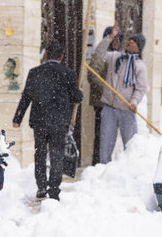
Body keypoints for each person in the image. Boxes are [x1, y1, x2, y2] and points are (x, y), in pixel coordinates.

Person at [12, 40, 83, 200]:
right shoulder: (68, 73)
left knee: (40, 154)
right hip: (59, 122)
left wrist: (18, 118)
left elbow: (26, 97)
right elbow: (76, 98)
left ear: (45, 55)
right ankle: (54, 189)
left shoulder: (35, 72)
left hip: (40, 121)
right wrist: (79, 92)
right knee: (57, 155)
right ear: (62, 57)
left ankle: (42, 187)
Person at [94, 27, 148, 164]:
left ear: (139, 47)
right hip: (109, 108)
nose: (130, 42)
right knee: (105, 143)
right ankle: (103, 172)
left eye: (134, 41)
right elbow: (99, 54)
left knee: (130, 145)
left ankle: (129, 171)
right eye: (130, 40)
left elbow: (140, 88)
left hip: (126, 109)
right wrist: (109, 38)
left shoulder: (140, 66)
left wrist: (134, 101)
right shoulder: (115, 57)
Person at [87, 26, 122, 165]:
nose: (117, 42)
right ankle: (98, 165)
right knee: (102, 136)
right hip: (102, 104)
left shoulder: (118, 55)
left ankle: (107, 164)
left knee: (111, 136)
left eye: (118, 39)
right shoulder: (100, 56)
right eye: (114, 38)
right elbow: (93, 76)